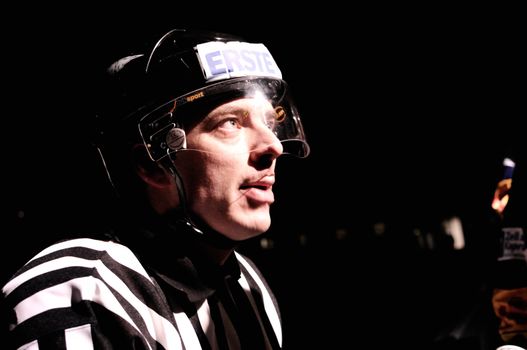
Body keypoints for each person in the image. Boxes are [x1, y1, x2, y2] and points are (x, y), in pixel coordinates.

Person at [1, 27, 310, 349]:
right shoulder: (75, 290)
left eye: (270, 123)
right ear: (152, 163)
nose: (273, 145)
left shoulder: (248, 284)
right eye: (230, 122)